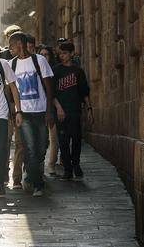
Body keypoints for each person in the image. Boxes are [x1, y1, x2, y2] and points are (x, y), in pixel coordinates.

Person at [8, 32, 54, 197]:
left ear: (20, 43)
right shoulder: (11, 65)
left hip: (41, 111)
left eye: (11, 45)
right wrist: (16, 112)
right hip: (24, 113)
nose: (9, 48)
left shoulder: (38, 60)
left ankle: (31, 173)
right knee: (30, 148)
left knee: (41, 148)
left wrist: (49, 111)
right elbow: (11, 92)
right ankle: (38, 184)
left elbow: (49, 88)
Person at [53, 41, 93, 180]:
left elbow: (84, 91)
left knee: (76, 139)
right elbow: (52, 93)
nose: (62, 56)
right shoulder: (56, 71)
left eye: (65, 53)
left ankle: (76, 164)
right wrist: (58, 108)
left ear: (71, 54)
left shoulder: (78, 71)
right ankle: (68, 169)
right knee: (63, 141)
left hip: (75, 110)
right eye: (60, 53)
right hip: (61, 111)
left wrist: (89, 108)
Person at [0, 43, 23, 196]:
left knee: (2, 149)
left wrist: (18, 111)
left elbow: (14, 87)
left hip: (2, 114)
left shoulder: (2, 65)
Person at [39, 44, 58, 175]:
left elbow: (55, 91)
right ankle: (40, 164)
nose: (44, 57)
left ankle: (51, 164)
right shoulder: (35, 70)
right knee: (42, 139)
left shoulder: (55, 71)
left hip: (52, 107)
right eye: (42, 54)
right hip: (39, 108)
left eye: (46, 54)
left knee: (54, 138)